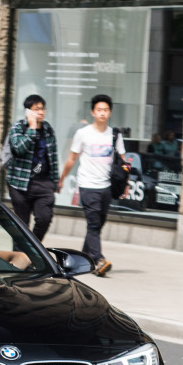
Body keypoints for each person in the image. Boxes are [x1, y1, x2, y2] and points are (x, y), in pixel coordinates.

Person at [60, 94, 124, 276]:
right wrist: (62, 177)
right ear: (93, 112)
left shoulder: (114, 134)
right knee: (94, 224)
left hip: (106, 186)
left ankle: (82, 258)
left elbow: (123, 159)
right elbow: (73, 158)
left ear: (110, 112)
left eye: (106, 110)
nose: (102, 113)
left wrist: (126, 179)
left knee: (98, 223)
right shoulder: (83, 133)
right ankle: (98, 259)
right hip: (87, 184)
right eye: (99, 110)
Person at [6, 94, 59, 242]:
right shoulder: (18, 127)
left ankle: (32, 250)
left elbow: (53, 157)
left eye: (42, 109)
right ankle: (20, 256)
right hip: (19, 183)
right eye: (36, 109)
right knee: (21, 225)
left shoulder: (48, 129)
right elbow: (19, 148)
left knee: (44, 219)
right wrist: (32, 128)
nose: (41, 112)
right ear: (28, 111)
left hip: (43, 183)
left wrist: (55, 181)